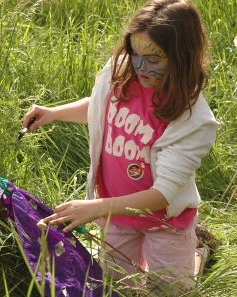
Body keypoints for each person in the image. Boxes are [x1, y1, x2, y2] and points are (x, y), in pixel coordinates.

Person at [22, 0, 220, 292]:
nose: (140, 66)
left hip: (166, 222)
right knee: (119, 286)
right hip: (114, 213)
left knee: (169, 290)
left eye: (154, 58)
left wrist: (95, 208)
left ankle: (198, 252)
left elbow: (164, 193)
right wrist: (55, 112)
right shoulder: (122, 73)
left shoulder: (194, 120)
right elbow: (101, 108)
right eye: (135, 53)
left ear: (181, 57)